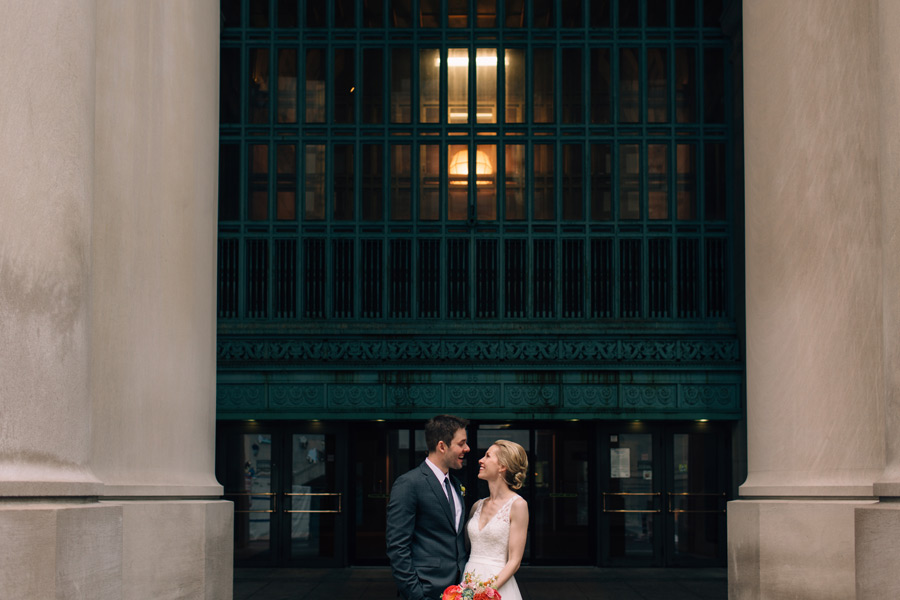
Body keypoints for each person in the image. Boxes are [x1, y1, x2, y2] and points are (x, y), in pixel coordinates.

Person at [386, 415, 471, 600]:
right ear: (442, 446)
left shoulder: (456, 484)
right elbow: (397, 547)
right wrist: (416, 594)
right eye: (462, 443)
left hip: (460, 591)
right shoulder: (409, 483)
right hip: (426, 590)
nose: (467, 448)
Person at [463, 439, 529, 600]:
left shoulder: (518, 505)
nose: (481, 460)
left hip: (497, 585)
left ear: (502, 466)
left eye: (487, 456)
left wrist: (485, 592)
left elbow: (514, 561)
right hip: (468, 581)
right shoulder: (476, 506)